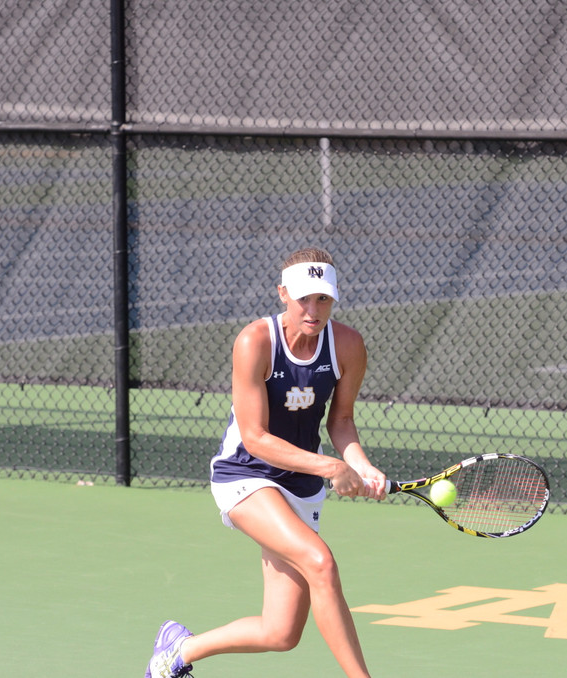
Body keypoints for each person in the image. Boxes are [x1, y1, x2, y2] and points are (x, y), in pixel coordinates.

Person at [146, 247, 387, 678]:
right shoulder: (255, 342)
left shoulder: (347, 345)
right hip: (244, 475)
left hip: (300, 486)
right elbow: (255, 438)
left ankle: (178, 651)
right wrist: (331, 468)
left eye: (323, 299)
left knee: (281, 633)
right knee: (320, 562)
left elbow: (343, 420)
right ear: (282, 294)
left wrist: (361, 464)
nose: (313, 310)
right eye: (303, 299)